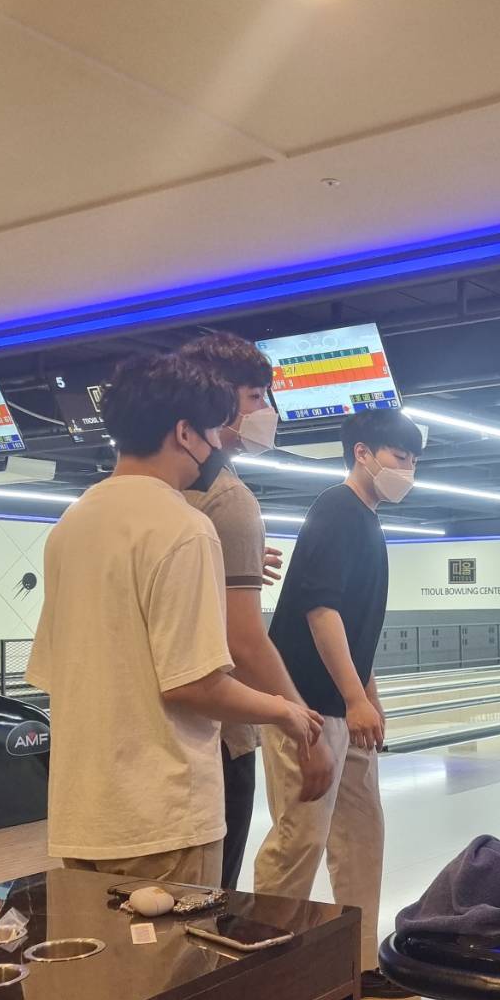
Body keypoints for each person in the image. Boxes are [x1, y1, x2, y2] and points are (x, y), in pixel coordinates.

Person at [27, 354, 321, 885]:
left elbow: (55, 670)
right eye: (210, 433)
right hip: (164, 818)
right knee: (179, 943)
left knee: (101, 942)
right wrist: (286, 711)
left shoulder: (72, 523)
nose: (212, 448)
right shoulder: (184, 527)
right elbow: (193, 684)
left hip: (83, 815)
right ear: (185, 433)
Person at [255, 407, 424, 997]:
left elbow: (355, 629)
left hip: (344, 711)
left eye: (414, 459)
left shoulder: (367, 522)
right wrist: (353, 698)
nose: (408, 469)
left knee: (361, 834)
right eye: (400, 456)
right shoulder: (335, 511)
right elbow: (320, 610)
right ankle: (263, 965)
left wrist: (369, 699)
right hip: (303, 705)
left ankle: (360, 964)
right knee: (300, 837)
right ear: (363, 454)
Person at [178, 331, 323, 889]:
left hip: (150, 738)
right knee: (206, 899)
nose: (268, 411)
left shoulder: (140, 496)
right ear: (217, 399)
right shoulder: (228, 498)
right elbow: (245, 640)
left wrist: (226, 569)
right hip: (217, 736)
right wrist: (301, 723)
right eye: (257, 396)